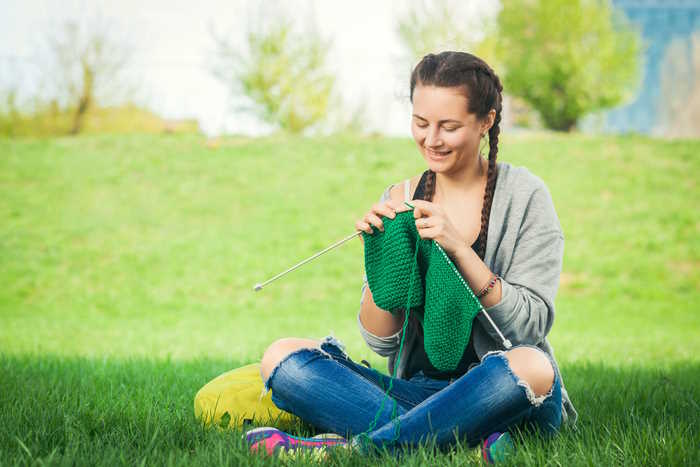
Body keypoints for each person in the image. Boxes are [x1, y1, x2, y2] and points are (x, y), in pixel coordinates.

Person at [244, 51, 577, 460]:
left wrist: (459, 248)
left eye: (448, 126)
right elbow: (381, 341)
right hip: (420, 389)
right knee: (283, 357)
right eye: (421, 124)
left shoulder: (525, 196)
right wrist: (379, 257)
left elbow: (530, 326)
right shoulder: (401, 197)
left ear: (486, 121)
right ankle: (460, 438)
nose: (431, 139)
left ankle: (351, 449)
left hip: (505, 388)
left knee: (533, 367)